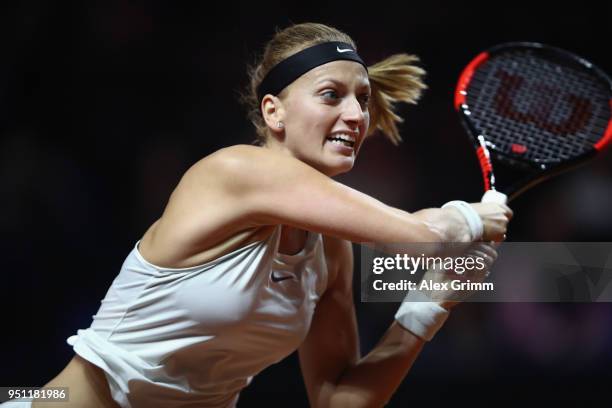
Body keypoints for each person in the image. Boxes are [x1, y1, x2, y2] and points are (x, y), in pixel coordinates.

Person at [4, 22, 512, 408]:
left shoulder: (330, 249)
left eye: (363, 99)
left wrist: (426, 306)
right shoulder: (234, 171)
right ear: (274, 112)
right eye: (332, 95)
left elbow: (337, 398)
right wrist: (466, 220)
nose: (357, 116)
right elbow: (424, 234)